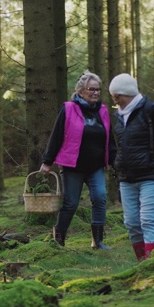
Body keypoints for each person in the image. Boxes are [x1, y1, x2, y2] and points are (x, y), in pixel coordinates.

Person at [40, 71, 115, 249]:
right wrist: (47, 161)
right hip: (72, 165)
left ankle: (97, 241)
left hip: (95, 166)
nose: (96, 93)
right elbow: (56, 136)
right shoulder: (68, 108)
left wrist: (114, 160)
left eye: (98, 90)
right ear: (81, 91)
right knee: (71, 203)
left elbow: (109, 139)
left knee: (100, 198)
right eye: (92, 89)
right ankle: (59, 240)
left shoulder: (103, 111)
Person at [108, 73, 154, 261]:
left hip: (152, 174)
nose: (115, 101)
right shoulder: (120, 117)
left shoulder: (152, 110)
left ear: (128, 93)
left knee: (148, 219)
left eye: (118, 96)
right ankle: (142, 261)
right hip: (127, 177)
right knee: (131, 222)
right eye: (114, 97)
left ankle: (153, 260)